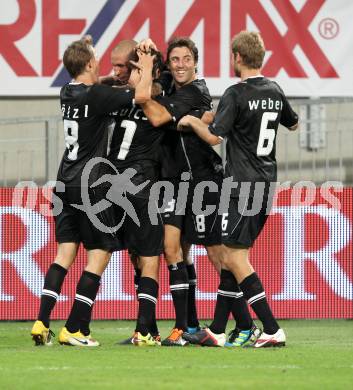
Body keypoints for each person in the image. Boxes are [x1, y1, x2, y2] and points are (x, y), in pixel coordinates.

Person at [177, 31, 298, 348]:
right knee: (234, 255)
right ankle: (217, 330)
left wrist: (191, 121)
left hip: (242, 183)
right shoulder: (274, 90)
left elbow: (214, 137)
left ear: (237, 58)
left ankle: (271, 328)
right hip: (266, 182)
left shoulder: (235, 93)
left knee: (233, 256)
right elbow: (294, 123)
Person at [30, 37, 154, 346]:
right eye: (96, 58)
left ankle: (42, 320)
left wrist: (85, 50)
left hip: (65, 180)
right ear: (87, 64)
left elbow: (100, 85)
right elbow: (141, 95)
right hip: (89, 183)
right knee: (100, 252)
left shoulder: (67, 92)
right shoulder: (97, 96)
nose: (100, 62)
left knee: (65, 253)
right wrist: (147, 63)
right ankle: (76, 327)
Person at [141, 37, 256, 347]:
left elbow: (157, 116)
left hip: (204, 181)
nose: (179, 64)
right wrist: (148, 51)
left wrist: (178, 120)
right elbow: (151, 90)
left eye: (185, 59)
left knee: (219, 256)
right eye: (174, 59)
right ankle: (187, 325)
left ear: (195, 62)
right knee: (173, 250)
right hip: (176, 182)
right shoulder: (167, 81)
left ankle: (246, 323)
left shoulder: (197, 91)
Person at [107, 49, 167, 346]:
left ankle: (145, 329)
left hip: (133, 184)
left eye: (124, 68)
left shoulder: (139, 99)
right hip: (135, 186)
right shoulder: (139, 98)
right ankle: (147, 329)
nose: (119, 73)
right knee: (143, 256)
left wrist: (145, 64)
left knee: (145, 256)